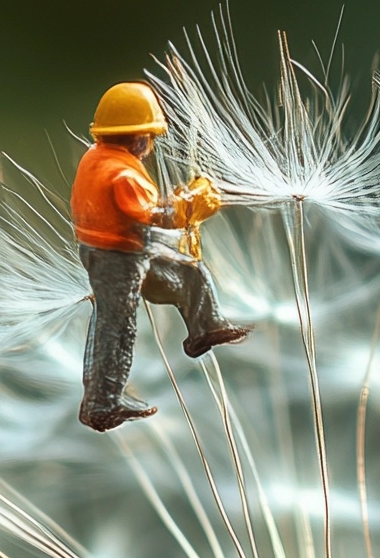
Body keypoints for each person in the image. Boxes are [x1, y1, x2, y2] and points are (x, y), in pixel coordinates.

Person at [70, 81, 249, 432]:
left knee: (188, 272)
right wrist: (190, 207)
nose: (151, 144)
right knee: (116, 327)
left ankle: (205, 330)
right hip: (116, 257)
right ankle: (102, 404)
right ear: (137, 137)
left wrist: (178, 202)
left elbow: (143, 213)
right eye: (150, 135)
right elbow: (155, 216)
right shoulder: (121, 173)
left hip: (126, 249)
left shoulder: (97, 157)